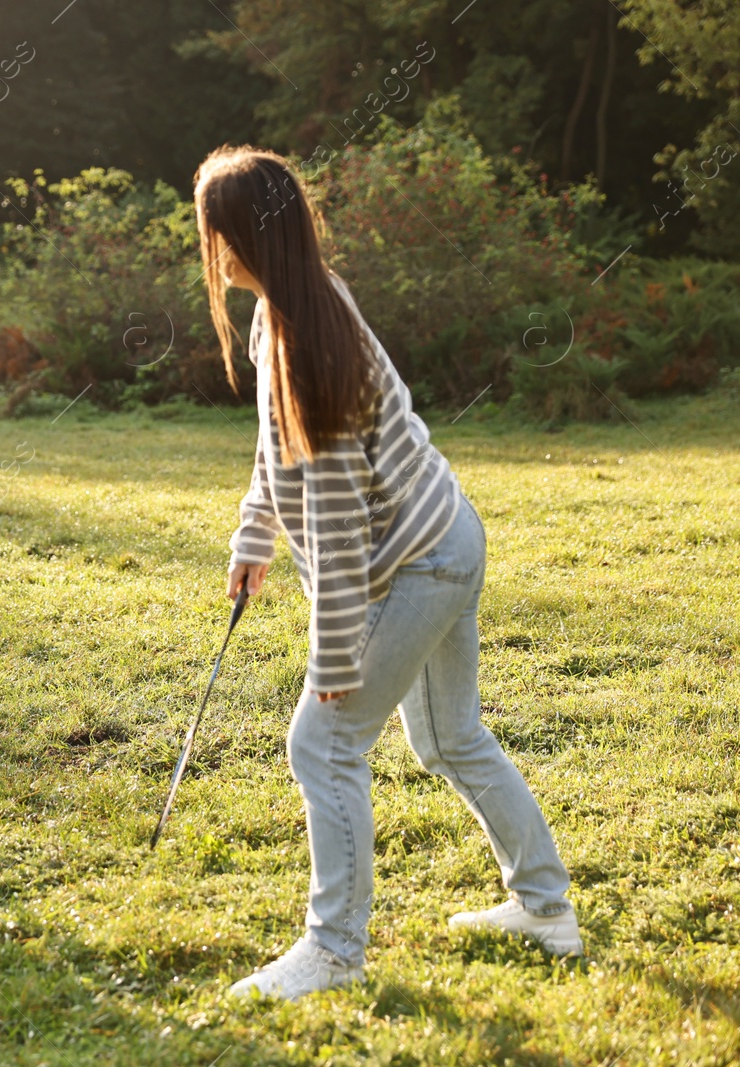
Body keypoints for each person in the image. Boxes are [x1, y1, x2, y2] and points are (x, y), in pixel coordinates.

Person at [193, 146, 579, 1001]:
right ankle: (546, 909)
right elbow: (273, 453)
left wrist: (333, 668)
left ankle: (333, 950)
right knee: (448, 736)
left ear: (237, 239)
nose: (207, 250)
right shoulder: (289, 309)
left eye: (211, 232)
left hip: (419, 560)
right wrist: (253, 536)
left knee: (321, 743)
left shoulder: (307, 344)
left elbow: (336, 537)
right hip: (448, 533)